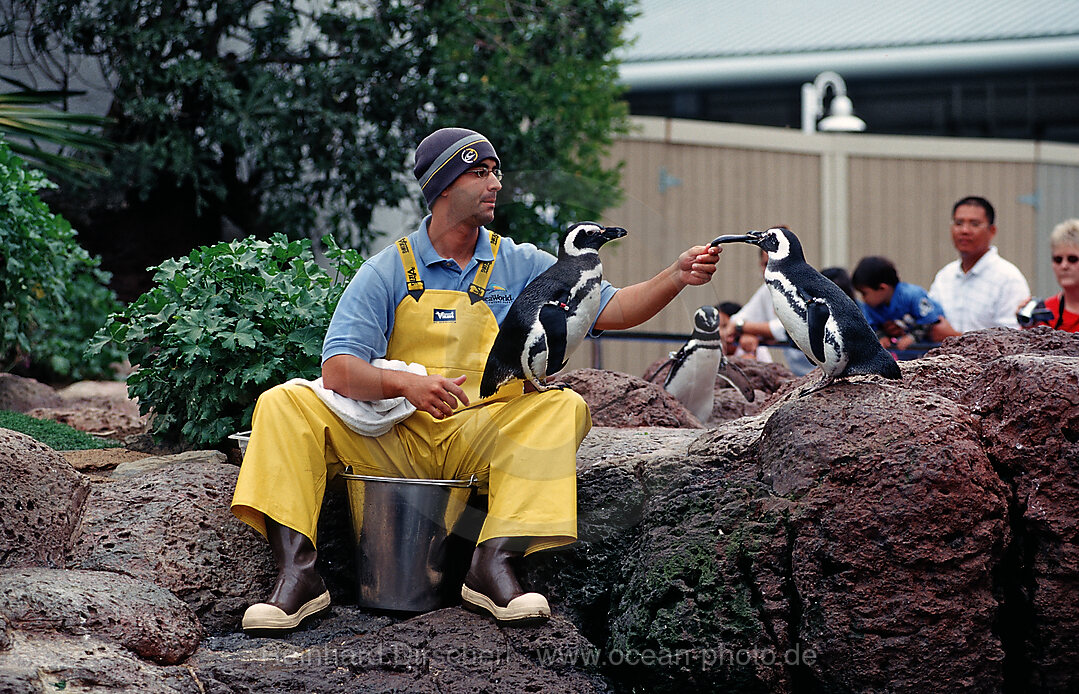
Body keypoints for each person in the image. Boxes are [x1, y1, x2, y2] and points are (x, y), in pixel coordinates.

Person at [230, 127, 724, 631]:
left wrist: (677, 275)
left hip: (480, 435)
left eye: (496, 173)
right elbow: (338, 370)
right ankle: (299, 576)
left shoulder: (522, 263)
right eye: (480, 173)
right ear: (443, 186)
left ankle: (494, 564)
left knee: (564, 407)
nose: (496, 184)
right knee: (283, 402)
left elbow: (612, 308)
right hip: (394, 439)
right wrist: (405, 386)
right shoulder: (386, 270)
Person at [927, 196, 1031, 332]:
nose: (964, 230)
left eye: (974, 224)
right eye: (958, 223)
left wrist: (953, 338)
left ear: (992, 231)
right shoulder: (945, 276)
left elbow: (1012, 341)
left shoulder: (1008, 279)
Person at [852, 255, 961, 350]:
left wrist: (912, 337)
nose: (863, 299)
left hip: (933, 346)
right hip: (908, 352)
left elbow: (930, 320)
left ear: (882, 288)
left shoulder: (912, 295)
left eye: (864, 293)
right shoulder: (871, 307)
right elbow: (872, 326)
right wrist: (882, 336)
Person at [1019, 218, 1079, 332]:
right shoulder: (1043, 312)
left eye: (1072, 259)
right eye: (1058, 259)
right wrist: (1028, 329)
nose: (1064, 265)